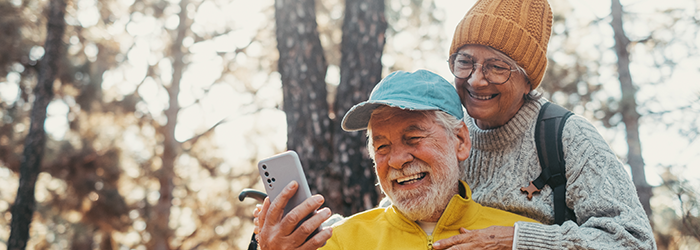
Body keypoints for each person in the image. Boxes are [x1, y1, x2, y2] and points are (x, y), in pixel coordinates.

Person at [435, 0, 656, 249]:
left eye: (496, 67)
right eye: (465, 62)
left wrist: (519, 241)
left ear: (529, 81)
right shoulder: (444, 132)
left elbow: (636, 242)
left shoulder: (568, 138)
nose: (476, 80)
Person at [255, 70, 540, 250]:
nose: (397, 160)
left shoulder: (515, 237)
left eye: (413, 138)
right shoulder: (338, 241)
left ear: (461, 141)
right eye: (381, 146)